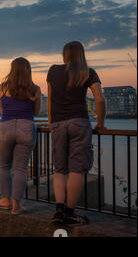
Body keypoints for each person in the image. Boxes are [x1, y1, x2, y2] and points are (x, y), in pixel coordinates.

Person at [47, 41, 106, 225]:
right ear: (81, 54)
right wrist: (101, 123)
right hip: (79, 123)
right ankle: (70, 213)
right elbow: (100, 99)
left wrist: (51, 123)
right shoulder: (88, 71)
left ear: (64, 54)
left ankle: (59, 210)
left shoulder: (53, 71)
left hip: (57, 123)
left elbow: (49, 101)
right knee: (77, 169)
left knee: (59, 169)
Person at [0, 57, 41, 215]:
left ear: (12, 70)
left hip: (6, 127)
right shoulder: (35, 89)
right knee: (21, 168)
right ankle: (16, 206)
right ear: (28, 70)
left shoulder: (2, 88)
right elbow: (37, 112)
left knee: (4, 166)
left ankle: (5, 200)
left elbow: (2, 108)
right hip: (26, 127)